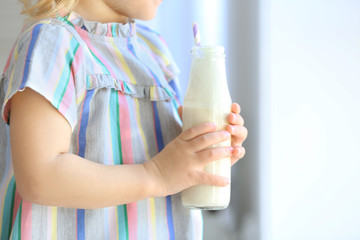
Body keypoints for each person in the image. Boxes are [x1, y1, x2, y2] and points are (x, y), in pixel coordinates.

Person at [0, 0, 248, 239]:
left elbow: (165, 167)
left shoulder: (153, 49)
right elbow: (39, 178)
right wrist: (155, 175)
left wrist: (200, 155)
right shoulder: (54, 43)